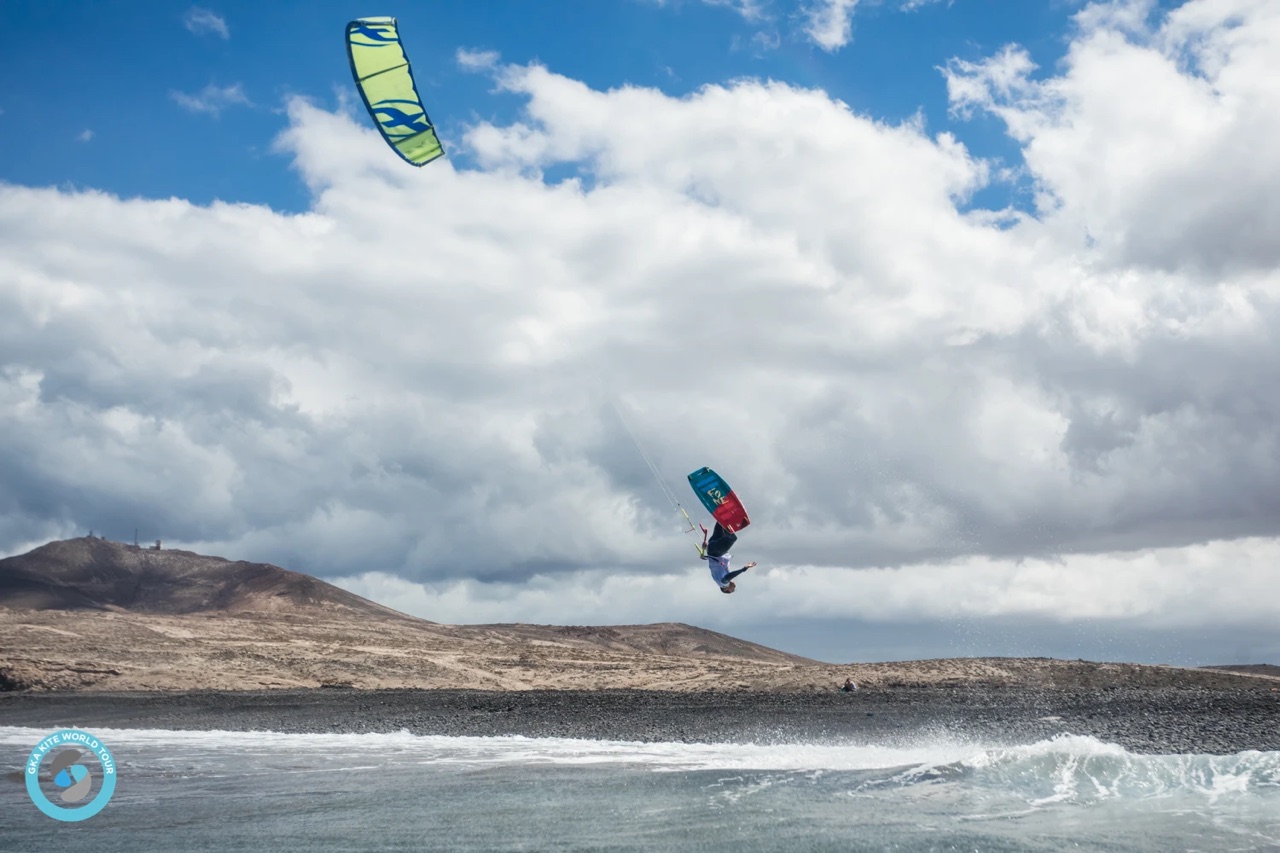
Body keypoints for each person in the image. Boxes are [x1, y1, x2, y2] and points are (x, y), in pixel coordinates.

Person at [700, 523, 755, 593]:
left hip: (717, 551)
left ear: (726, 589)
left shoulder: (723, 584)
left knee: (732, 538)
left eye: (733, 590)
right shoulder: (717, 579)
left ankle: (727, 524)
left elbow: (727, 578)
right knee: (720, 523)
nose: (735, 587)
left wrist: (743, 569)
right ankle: (724, 517)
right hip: (712, 548)